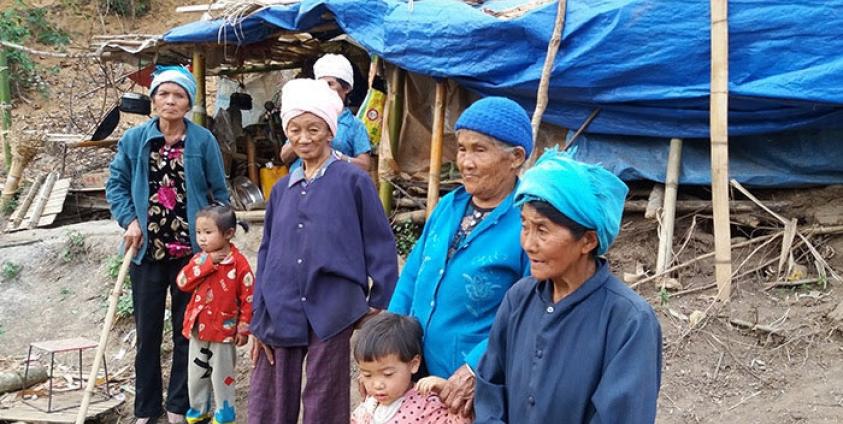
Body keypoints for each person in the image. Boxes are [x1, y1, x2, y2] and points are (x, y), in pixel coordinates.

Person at [248, 78, 398, 424]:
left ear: (330, 132)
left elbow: (379, 240)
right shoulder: (283, 188)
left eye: (313, 128)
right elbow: (266, 251)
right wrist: (258, 317)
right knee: (271, 396)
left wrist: (380, 300)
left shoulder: (353, 180)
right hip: (281, 303)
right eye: (295, 130)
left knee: (325, 399)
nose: (304, 138)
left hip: (334, 303)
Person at [474, 149, 663, 423]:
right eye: (525, 226)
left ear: (588, 241)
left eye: (542, 229)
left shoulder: (629, 321)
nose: (528, 243)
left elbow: (622, 416)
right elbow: (490, 386)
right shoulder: (519, 298)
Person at [388, 96, 532, 418]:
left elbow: (528, 312)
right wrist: (387, 347)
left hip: (470, 388)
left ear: (516, 158)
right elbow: (412, 276)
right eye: (462, 148)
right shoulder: (448, 207)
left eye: (479, 150)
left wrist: (476, 367)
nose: (465, 161)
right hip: (417, 375)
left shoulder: (526, 224)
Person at [106, 65, 229, 424]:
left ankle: (179, 405)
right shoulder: (134, 140)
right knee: (147, 335)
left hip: (190, 254)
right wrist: (129, 220)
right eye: (163, 94)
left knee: (186, 331)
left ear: (188, 101)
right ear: (153, 99)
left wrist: (217, 238)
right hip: (146, 251)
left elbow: (219, 194)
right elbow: (116, 186)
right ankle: (146, 409)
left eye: (178, 95)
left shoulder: (202, 141)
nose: (170, 101)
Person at [175, 204, 253, 424]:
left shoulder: (239, 264)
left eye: (208, 233)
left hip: (224, 331)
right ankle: (198, 412)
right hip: (199, 329)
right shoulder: (200, 259)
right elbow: (182, 282)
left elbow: (249, 298)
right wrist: (207, 264)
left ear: (228, 234)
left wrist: (244, 327)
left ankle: (224, 413)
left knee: (222, 377)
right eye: (199, 232)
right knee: (196, 375)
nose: (202, 239)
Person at [351, 313, 470, 424]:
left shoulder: (425, 404)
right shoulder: (370, 403)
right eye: (367, 375)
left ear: (414, 364)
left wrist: (447, 390)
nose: (377, 385)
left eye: (387, 374)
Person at [279, 53, 372, 171]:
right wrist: (302, 139)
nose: (324, 88)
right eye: (320, 84)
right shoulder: (304, 117)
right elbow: (284, 157)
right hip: (300, 185)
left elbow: (365, 165)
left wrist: (336, 157)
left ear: (346, 88)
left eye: (330, 84)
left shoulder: (354, 125)